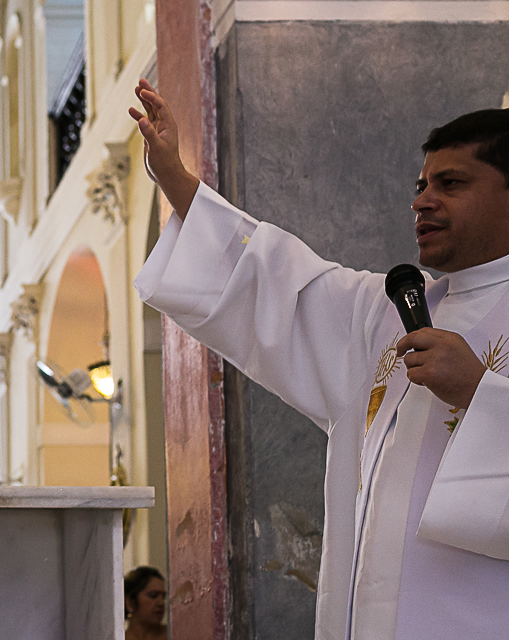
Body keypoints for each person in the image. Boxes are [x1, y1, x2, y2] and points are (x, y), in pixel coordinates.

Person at [130, 79, 509, 640]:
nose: (422, 201)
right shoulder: (387, 315)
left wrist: (480, 392)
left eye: (451, 184)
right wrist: (176, 180)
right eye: (421, 185)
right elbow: (272, 279)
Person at [123, 566, 166, 640]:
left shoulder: (175, 634)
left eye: (163, 597)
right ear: (130, 602)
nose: (161, 603)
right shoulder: (119, 637)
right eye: (153, 595)